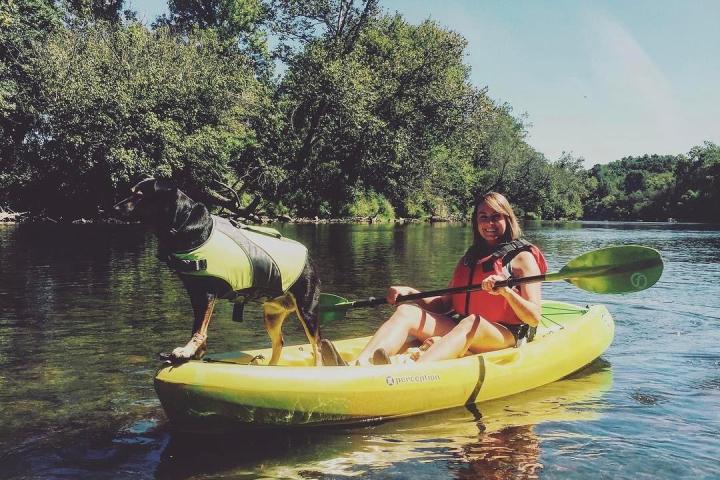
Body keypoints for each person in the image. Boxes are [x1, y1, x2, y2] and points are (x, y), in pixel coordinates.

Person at [354, 192, 548, 366]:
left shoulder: (523, 258)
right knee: (407, 311)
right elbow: (444, 304)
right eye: (483, 217)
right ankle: (360, 363)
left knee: (473, 322)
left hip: (505, 334)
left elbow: (533, 317)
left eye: (496, 217)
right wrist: (410, 293)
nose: (489, 223)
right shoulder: (471, 259)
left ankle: (415, 370)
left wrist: (506, 292)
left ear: (507, 219)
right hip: (463, 327)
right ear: (476, 222)